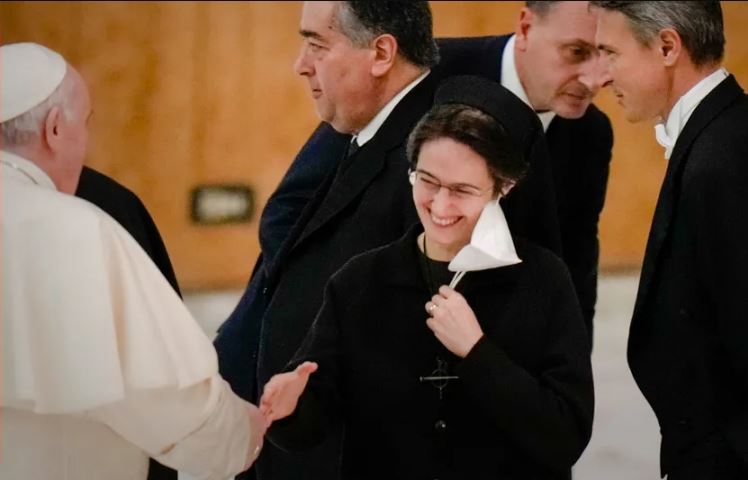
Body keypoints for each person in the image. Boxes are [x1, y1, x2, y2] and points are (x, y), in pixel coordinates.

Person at [259, 75, 594, 480]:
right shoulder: (360, 282)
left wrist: (477, 352)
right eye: (428, 181)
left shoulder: (543, 280)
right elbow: (314, 424)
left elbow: (565, 435)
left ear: (502, 188)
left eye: (462, 190)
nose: (440, 205)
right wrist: (292, 407)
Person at [226, 1, 612, 350]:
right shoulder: (420, 73)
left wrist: (567, 371)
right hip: (289, 354)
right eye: (576, 52)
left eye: (606, 54)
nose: (596, 80)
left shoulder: (590, 133)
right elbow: (291, 210)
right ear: (526, 27)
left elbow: (574, 265)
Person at [1, 42, 266, 480]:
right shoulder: (75, 230)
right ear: (54, 129)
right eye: (85, 123)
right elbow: (162, 399)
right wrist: (248, 431)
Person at [592, 2, 748, 479]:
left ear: (666, 47)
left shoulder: (721, 161)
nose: (601, 75)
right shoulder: (717, 140)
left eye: (610, 53)